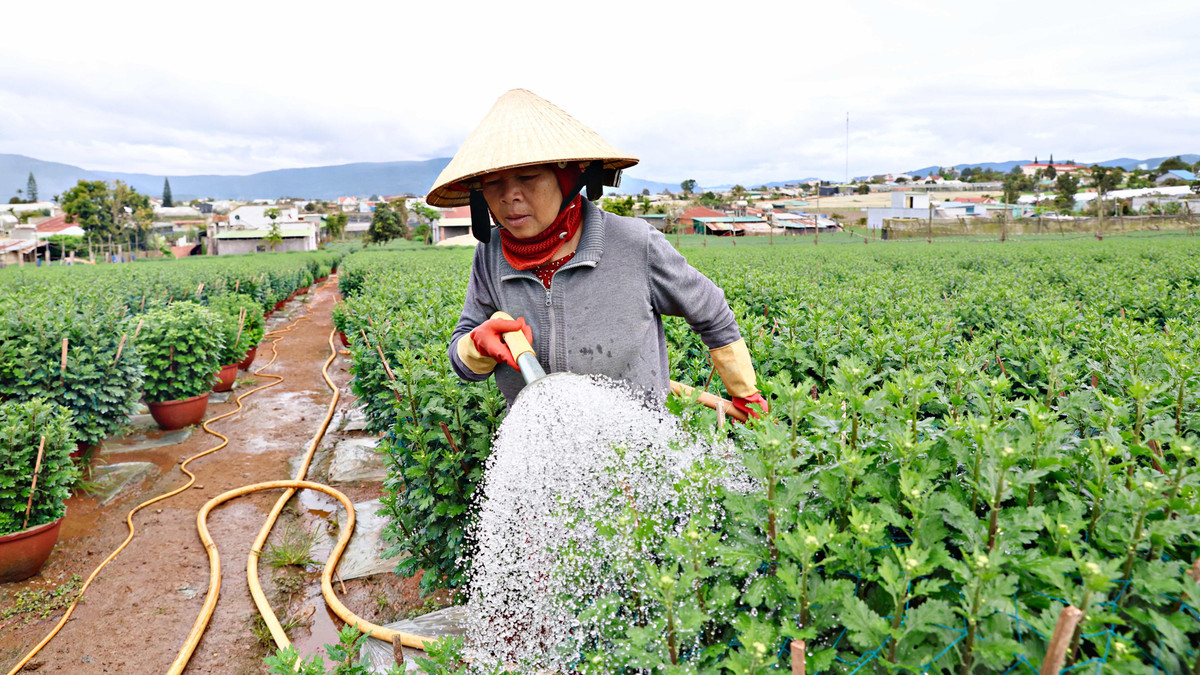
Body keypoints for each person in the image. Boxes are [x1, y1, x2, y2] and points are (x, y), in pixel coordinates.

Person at [426, 89, 768, 419]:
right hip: (541, 449)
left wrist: (744, 391)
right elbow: (464, 362)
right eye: (493, 183)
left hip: (635, 446)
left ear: (567, 178)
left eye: (528, 177)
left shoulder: (634, 243)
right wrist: (477, 345)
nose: (509, 196)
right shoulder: (490, 255)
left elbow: (710, 312)